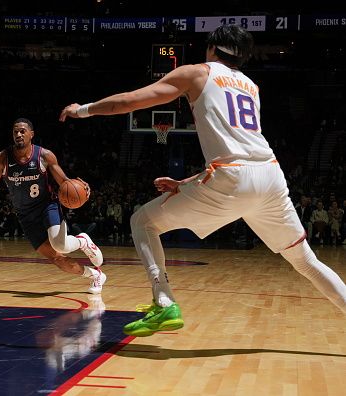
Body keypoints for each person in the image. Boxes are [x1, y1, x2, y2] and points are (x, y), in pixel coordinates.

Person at [59, 24, 346, 335]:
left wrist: (83, 109)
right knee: (306, 262)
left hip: (231, 179)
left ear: (212, 48)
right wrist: (187, 183)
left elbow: (130, 101)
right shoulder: (251, 86)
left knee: (143, 221)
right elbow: (243, 150)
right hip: (270, 177)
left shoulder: (197, 73)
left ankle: (164, 301)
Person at [0, 118, 106, 294]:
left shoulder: (44, 155)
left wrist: (78, 184)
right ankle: (95, 275)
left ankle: (82, 241)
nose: (18, 134)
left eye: (23, 131)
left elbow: (64, 182)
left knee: (60, 245)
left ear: (31, 134)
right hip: (25, 215)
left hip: (47, 206)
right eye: (15, 131)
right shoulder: (2, 158)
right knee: (57, 259)